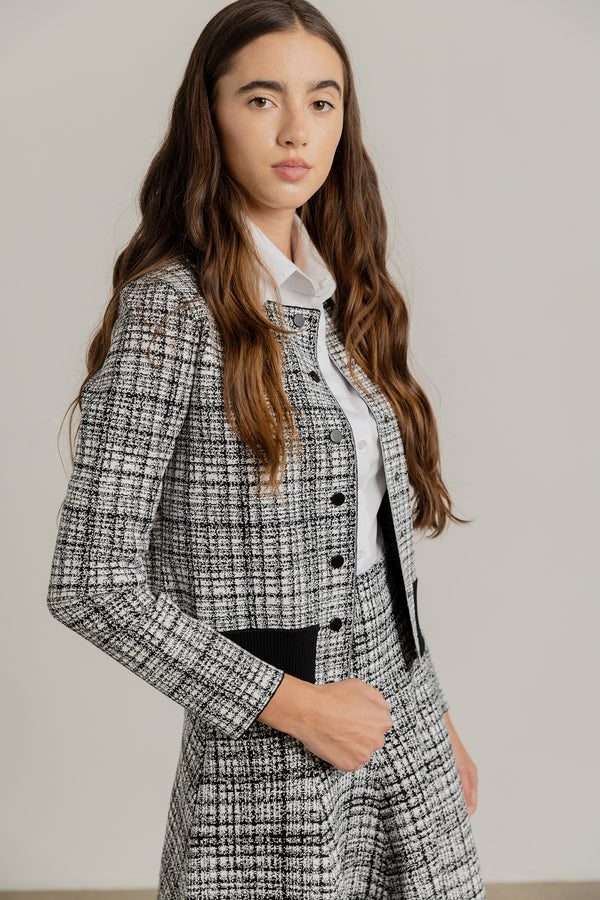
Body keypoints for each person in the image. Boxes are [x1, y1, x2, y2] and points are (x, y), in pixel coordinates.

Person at [46, 1, 487, 896]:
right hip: (268, 765)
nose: (296, 130)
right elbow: (91, 584)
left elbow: (374, 558)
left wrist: (433, 713)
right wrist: (299, 707)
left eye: (322, 101)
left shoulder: (343, 299)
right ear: (207, 115)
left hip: (403, 732)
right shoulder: (173, 311)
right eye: (260, 99)